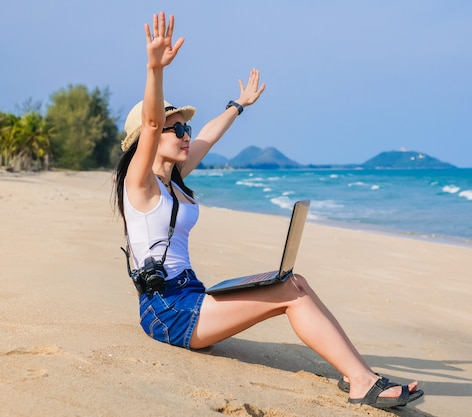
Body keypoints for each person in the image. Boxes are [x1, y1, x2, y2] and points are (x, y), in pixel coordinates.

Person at [114, 12, 423, 409]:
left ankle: (360, 374)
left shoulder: (174, 178)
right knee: (288, 293)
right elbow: (154, 122)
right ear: (148, 139)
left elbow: (208, 134)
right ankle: (363, 382)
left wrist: (238, 105)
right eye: (176, 129)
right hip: (168, 311)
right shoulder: (139, 185)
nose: (185, 134)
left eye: (184, 128)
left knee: (296, 282)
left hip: (190, 295)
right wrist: (154, 68)